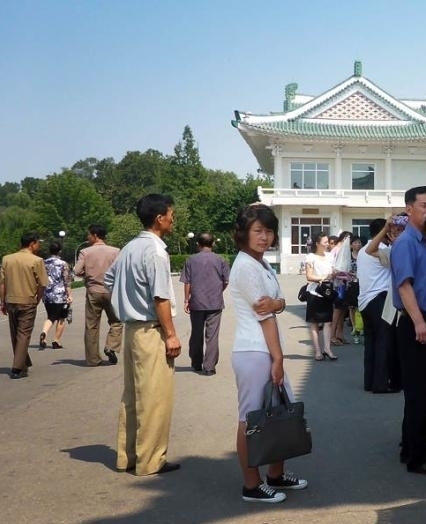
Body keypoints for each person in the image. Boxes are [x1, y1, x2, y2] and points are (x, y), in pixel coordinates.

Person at [228, 204, 308, 503]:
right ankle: (251, 484)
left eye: (269, 231)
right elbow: (266, 315)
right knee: (251, 419)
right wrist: (278, 358)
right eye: (257, 231)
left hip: (265, 350)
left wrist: (278, 303)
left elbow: (276, 303)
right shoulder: (246, 266)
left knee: (280, 413)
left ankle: (276, 475)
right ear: (244, 234)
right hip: (254, 351)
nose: (264, 237)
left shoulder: (261, 264)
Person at [104, 194, 182, 476]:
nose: (173, 218)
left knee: (133, 395)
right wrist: (170, 335)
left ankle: (129, 456)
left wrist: (126, 301)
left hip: (132, 329)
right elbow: (161, 298)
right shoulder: (156, 251)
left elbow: (109, 279)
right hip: (150, 330)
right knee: (155, 397)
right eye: (171, 214)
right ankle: (151, 460)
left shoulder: (129, 247)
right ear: (160, 218)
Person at [391, 186, 426, 475]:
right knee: (421, 393)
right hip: (418, 324)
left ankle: (411, 447)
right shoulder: (406, 244)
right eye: (424, 205)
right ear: (409, 209)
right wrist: (419, 322)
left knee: (420, 391)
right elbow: (404, 285)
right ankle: (418, 457)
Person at [358, 217, 403, 393]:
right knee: (384, 342)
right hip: (380, 299)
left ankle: (369, 381)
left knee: (371, 343)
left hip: (364, 302)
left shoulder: (362, 250)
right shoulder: (384, 249)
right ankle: (381, 383)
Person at [0, 232, 48, 379]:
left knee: (15, 334)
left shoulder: (7, 259)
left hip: (11, 300)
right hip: (27, 301)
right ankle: (17, 368)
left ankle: (23, 363)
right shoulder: (37, 260)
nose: (39, 245)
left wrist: (2, 301)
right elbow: (42, 284)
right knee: (24, 334)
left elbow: (2, 283)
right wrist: (37, 299)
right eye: (38, 243)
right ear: (32, 244)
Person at [180, 232, 231, 376]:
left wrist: (186, 300)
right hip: (215, 303)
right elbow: (226, 281)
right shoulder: (220, 260)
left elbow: (187, 282)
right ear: (213, 243)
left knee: (196, 333)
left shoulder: (190, 260)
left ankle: (196, 363)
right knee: (212, 335)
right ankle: (209, 367)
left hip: (196, 302)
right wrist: (218, 291)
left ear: (198, 244)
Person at [75, 224, 123, 366]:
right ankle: (111, 346)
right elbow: (121, 270)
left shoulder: (85, 252)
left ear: (95, 235)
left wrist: (87, 275)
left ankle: (93, 359)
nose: (87, 237)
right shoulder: (115, 251)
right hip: (111, 291)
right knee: (116, 321)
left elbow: (77, 271)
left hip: (93, 292)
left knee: (92, 326)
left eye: (88, 234)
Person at [304, 231, 337, 361]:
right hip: (315, 292)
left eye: (327, 242)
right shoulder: (310, 257)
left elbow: (333, 272)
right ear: (317, 244)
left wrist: (335, 274)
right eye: (324, 242)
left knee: (328, 321)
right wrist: (323, 278)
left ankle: (327, 349)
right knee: (314, 322)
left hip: (327, 292)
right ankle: (318, 350)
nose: (327, 244)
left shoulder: (330, 256)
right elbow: (309, 276)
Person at [39, 241, 72, 350]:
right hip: (60, 294)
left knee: (50, 316)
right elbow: (67, 281)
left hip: (47, 294)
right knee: (61, 317)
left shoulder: (43, 263)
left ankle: (44, 333)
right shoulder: (63, 264)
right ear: (60, 251)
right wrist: (69, 295)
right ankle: (56, 341)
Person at [329, 231, 353, 346]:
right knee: (337, 310)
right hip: (338, 284)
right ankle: (332, 335)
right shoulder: (337, 250)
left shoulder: (342, 249)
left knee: (343, 310)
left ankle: (340, 334)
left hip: (343, 283)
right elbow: (334, 269)